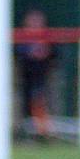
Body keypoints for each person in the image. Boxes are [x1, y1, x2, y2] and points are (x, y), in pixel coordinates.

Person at [16, 10, 56, 138]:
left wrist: (45, 53)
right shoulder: (21, 39)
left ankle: (43, 133)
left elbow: (55, 55)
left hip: (43, 80)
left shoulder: (47, 38)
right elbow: (18, 54)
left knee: (40, 103)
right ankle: (30, 133)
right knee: (28, 106)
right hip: (24, 80)